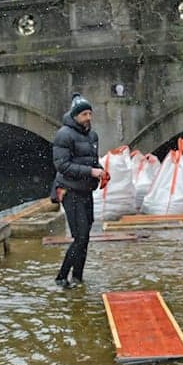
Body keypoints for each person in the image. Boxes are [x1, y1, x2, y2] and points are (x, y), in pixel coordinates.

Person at [50, 93, 104, 289]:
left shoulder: (92, 135)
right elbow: (62, 165)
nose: (88, 117)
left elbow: (93, 160)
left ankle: (78, 277)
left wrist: (101, 172)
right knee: (80, 237)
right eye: (84, 114)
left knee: (85, 237)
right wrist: (91, 171)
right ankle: (61, 277)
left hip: (86, 190)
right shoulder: (64, 134)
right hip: (70, 191)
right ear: (74, 116)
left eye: (90, 113)